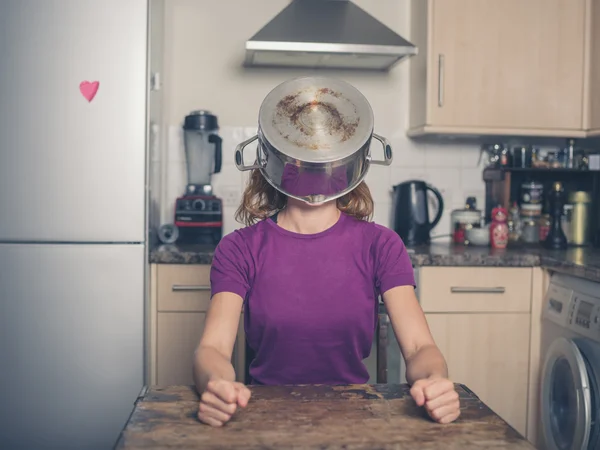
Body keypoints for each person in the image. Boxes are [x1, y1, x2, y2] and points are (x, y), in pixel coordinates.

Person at [193, 170, 460, 427]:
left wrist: (434, 382)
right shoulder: (239, 247)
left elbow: (419, 348)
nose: (312, 164)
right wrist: (217, 385)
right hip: (265, 416)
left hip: (355, 416)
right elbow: (213, 349)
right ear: (274, 158)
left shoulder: (382, 244)